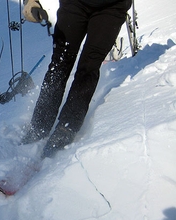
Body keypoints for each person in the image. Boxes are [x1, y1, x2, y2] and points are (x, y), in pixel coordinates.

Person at [22, 0, 133, 158]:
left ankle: (67, 127)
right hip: (74, 4)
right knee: (60, 62)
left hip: (111, 7)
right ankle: (40, 123)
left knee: (89, 66)